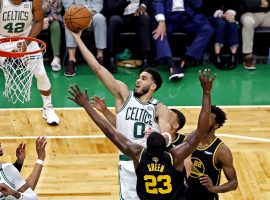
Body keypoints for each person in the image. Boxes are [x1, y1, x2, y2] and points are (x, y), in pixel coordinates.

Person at [68, 69, 215, 200]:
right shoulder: (174, 157)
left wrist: (87, 105)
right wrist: (207, 93)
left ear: (146, 147)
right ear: (165, 145)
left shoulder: (138, 154)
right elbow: (200, 131)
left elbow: (109, 131)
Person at [68, 28, 172, 200]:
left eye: (144, 78)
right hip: (126, 161)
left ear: (153, 87)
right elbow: (98, 68)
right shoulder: (124, 94)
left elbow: (167, 132)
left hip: (151, 162)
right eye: (139, 77)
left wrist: (161, 137)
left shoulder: (160, 107)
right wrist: (78, 39)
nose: (138, 80)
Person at [0, 0, 60, 125]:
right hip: (2, 37)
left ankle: (48, 108)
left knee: (41, 74)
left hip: (25, 37)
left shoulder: (34, 1)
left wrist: (26, 43)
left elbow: (38, 21)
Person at [152, 0, 214, 80]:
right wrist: (161, 21)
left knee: (207, 29)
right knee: (158, 30)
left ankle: (186, 59)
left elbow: (198, 4)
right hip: (169, 17)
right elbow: (158, 2)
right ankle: (171, 65)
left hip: (188, 16)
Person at [185, 105, 238, 200]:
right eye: (202, 117)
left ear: (216, 125)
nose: (202, 121)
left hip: (205, 197)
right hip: (183, 195)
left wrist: (214, 188)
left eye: (207, 120)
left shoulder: (221, 151)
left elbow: (233, 183)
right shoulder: (186, 139)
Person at [102, 0, 152, 73]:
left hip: (136, 15)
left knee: (144, 18)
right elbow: (112, 8)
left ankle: (146, 59)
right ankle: (111, 59)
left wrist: (143, 6)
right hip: (120, 16)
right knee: (113, 20)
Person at [62, 0, 107, 76]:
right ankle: (71, 59)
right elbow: (68, 7)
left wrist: (89, 15)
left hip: (92, 16)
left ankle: (100, 57)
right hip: (76, 16)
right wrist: (80, 15)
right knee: (68, 20)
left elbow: (98, 5)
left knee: (100, 18)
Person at [202, 0, 240, 70]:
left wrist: (231, 14)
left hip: (230, 15)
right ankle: (217, 54)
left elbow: (238, 5)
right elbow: (207, 7)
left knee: (232, 22)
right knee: (221, 23)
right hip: (212, 15)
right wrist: (221, 15)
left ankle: (233, 54)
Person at [240, 0, 270, 70]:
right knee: (248, 21)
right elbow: (246, 3)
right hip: (249, 14)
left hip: (268, 14)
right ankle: (248, 56)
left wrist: (268, 2)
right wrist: (259, 2)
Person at [42, 0, 63, 72]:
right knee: (29, 26)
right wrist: (39, 22)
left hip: (50, 20)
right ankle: (28, 57)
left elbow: (57, 14)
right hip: (35, 20)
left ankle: (56, 58)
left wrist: (47, 19)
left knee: (55, 25)